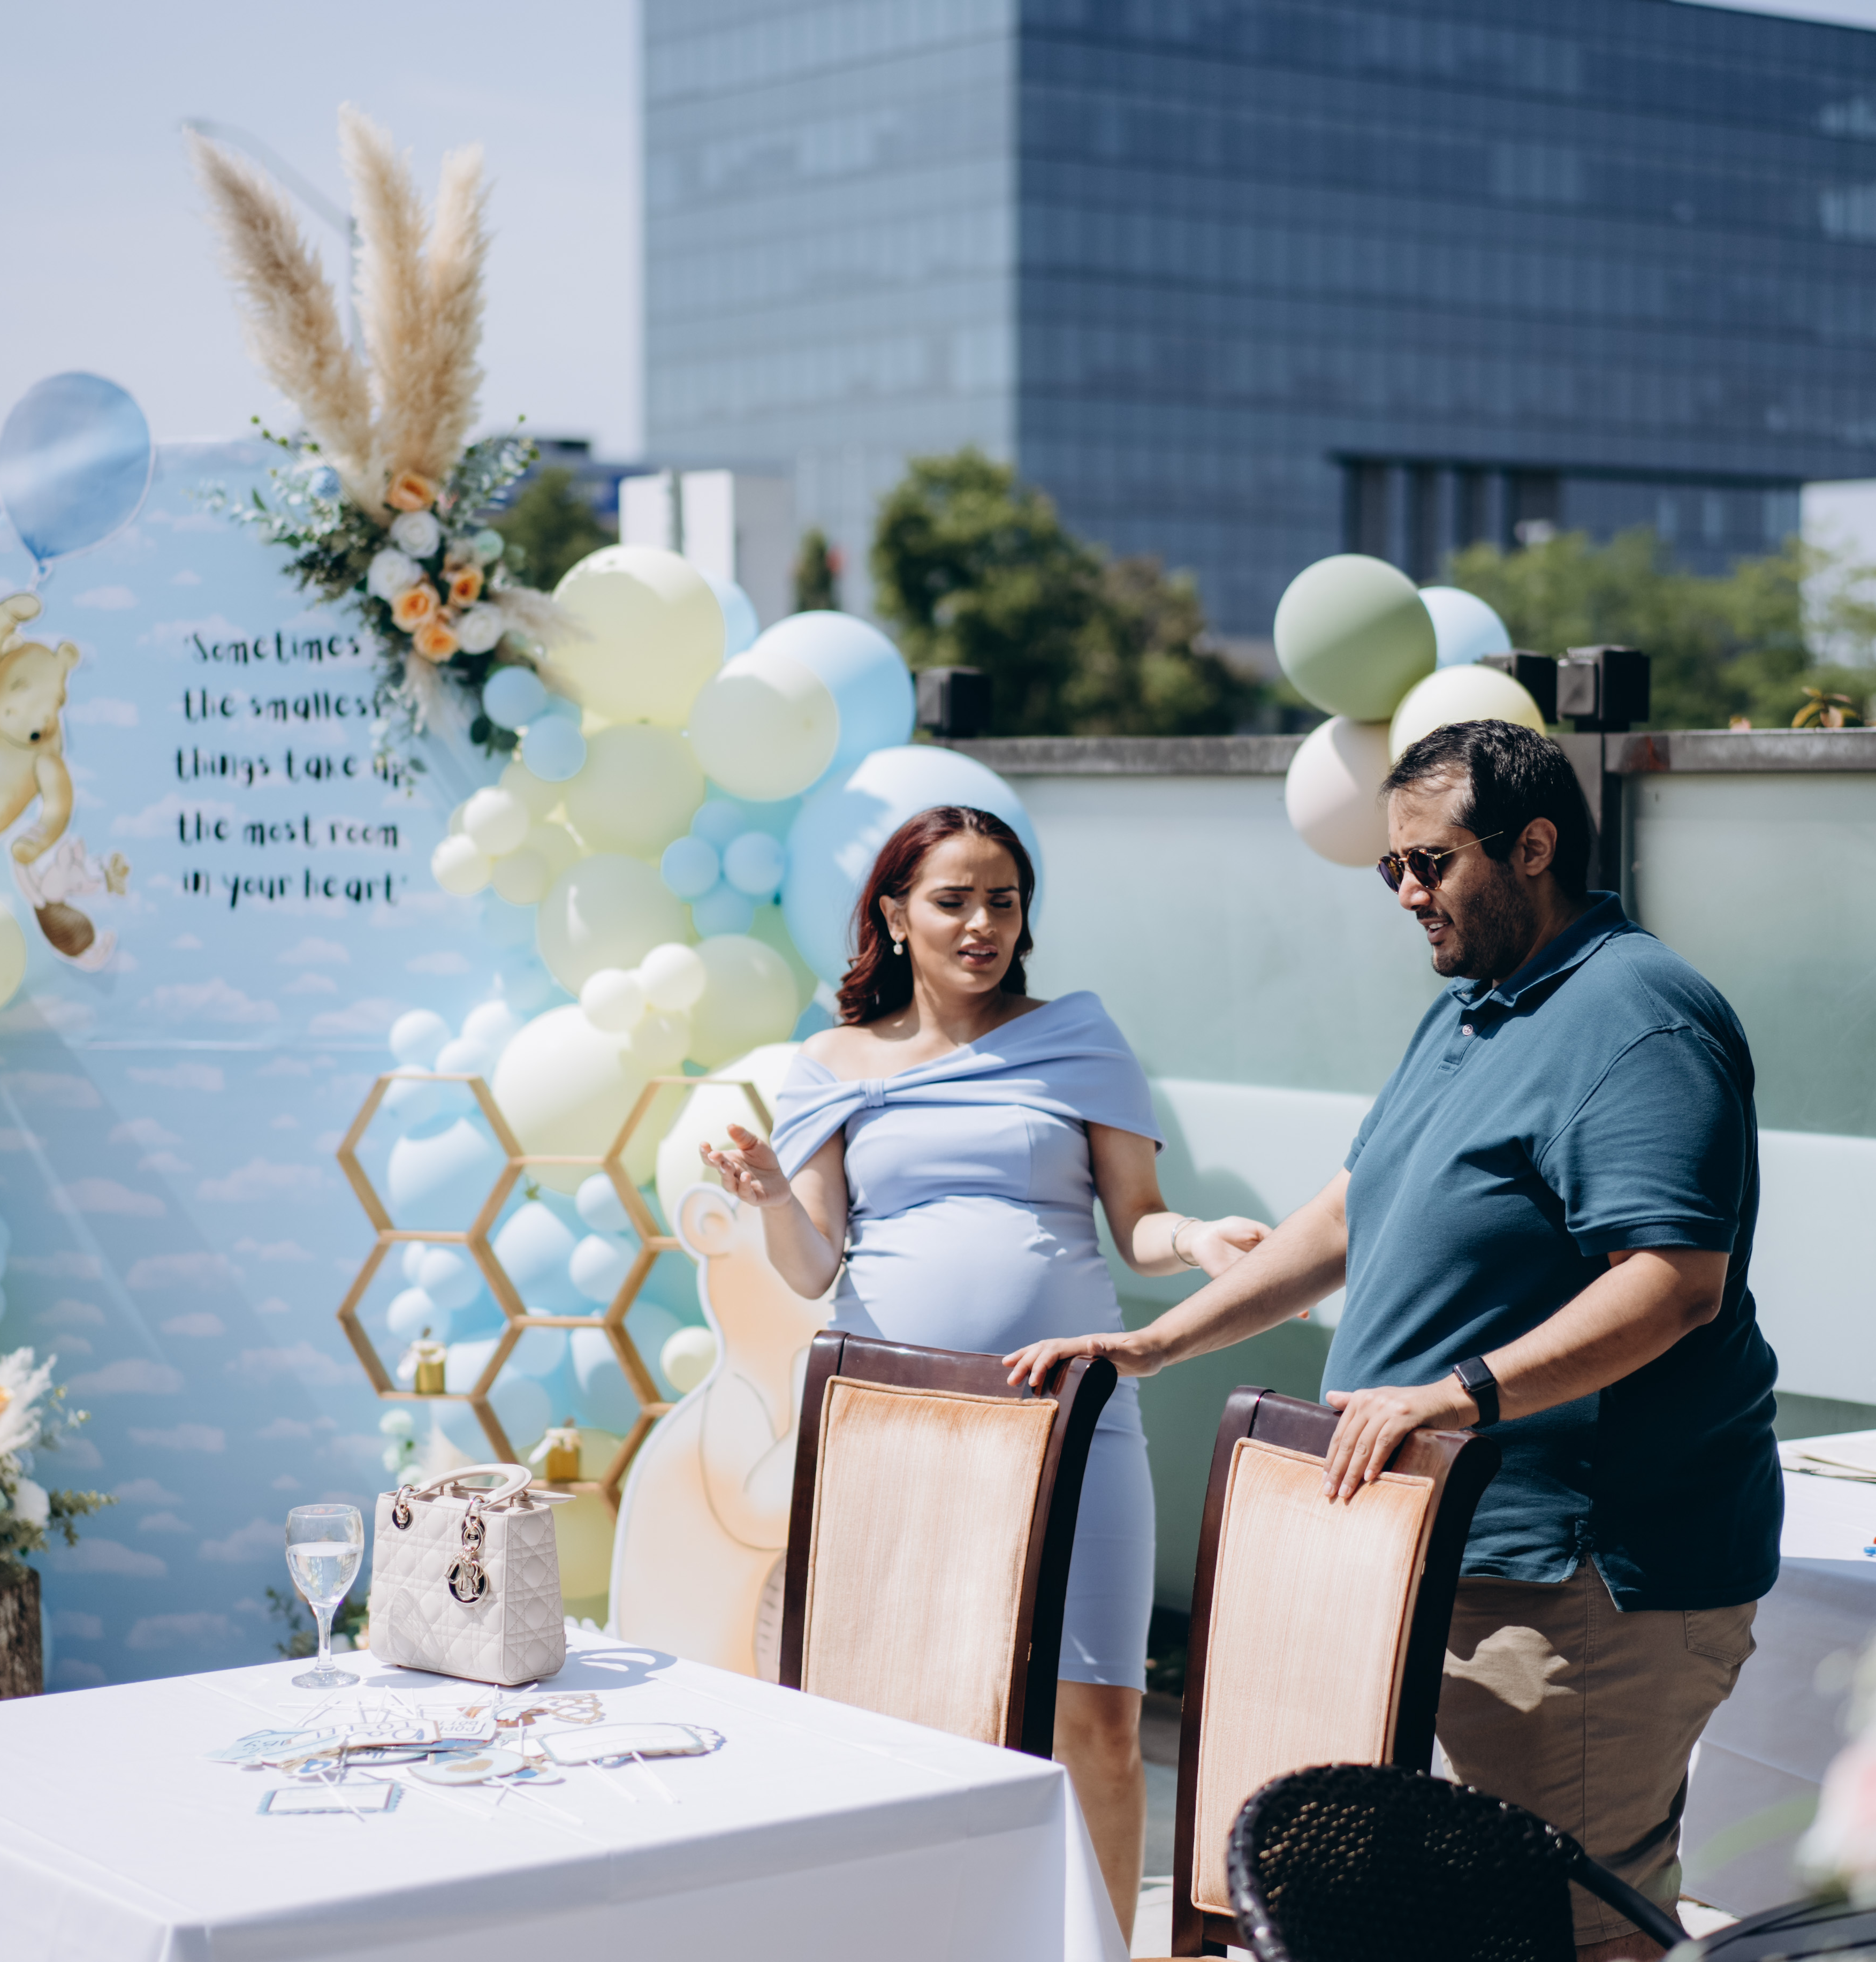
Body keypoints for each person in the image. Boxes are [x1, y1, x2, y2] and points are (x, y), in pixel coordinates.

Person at [1006, 720, 1780, 1962]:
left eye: (1428, 864)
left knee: (1569, 1935)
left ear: (1533, 847)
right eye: (1389, 869)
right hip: (1429, 1554)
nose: (1405, 894)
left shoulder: (1639, 1018)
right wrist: (1154, 1346)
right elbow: (1344, 1216)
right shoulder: (1473, 1009)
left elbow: (1672, 1286)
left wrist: (1455, 1395)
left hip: (1576, 1584)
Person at [699, 803, 1269, 1940]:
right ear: (893, 916)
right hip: (894, 1433)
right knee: (908, 1719)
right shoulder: (829, 1065)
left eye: (1002, 901)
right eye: (952, 901)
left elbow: (1138, 1223)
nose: (981, 925)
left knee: (1098, 1722)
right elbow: (812, 1267)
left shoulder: (1078, 1037)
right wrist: (768, 1196)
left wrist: (1198, 1238)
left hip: (1071, 1416)